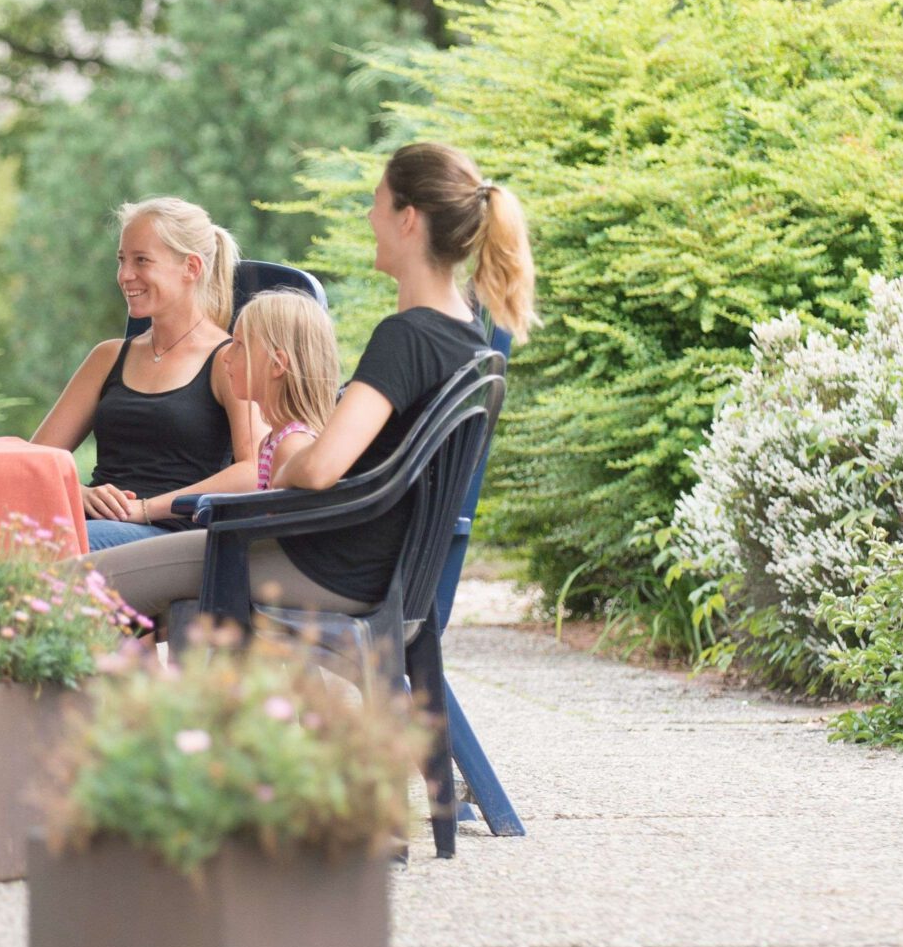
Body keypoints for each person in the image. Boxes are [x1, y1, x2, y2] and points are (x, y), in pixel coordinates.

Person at [85, 142, 535, 628]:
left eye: (378, 203)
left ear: (408, 219)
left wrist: (275, 467)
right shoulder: (464, 337)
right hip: (364, 568)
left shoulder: (407, 336)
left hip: (321, 567)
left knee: (62, 577)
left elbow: (320, 468)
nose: (369, 217)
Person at [31, 197, 265, 551]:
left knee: (43, 547)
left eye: (142, 260)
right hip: (93, 528)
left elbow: (255, 471)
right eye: (122, 260)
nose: (125, 275)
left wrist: (145, 509)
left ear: (191, 267)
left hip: (174, 538)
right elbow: (36, 461)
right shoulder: (108, 356)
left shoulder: (228, 359)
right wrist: (79, 493)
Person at [224, 290, 340, 491]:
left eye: (239, 345)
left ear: (277, 364)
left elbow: (276, 522)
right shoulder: (270, 442)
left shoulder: (291, 446)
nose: (226, 355)